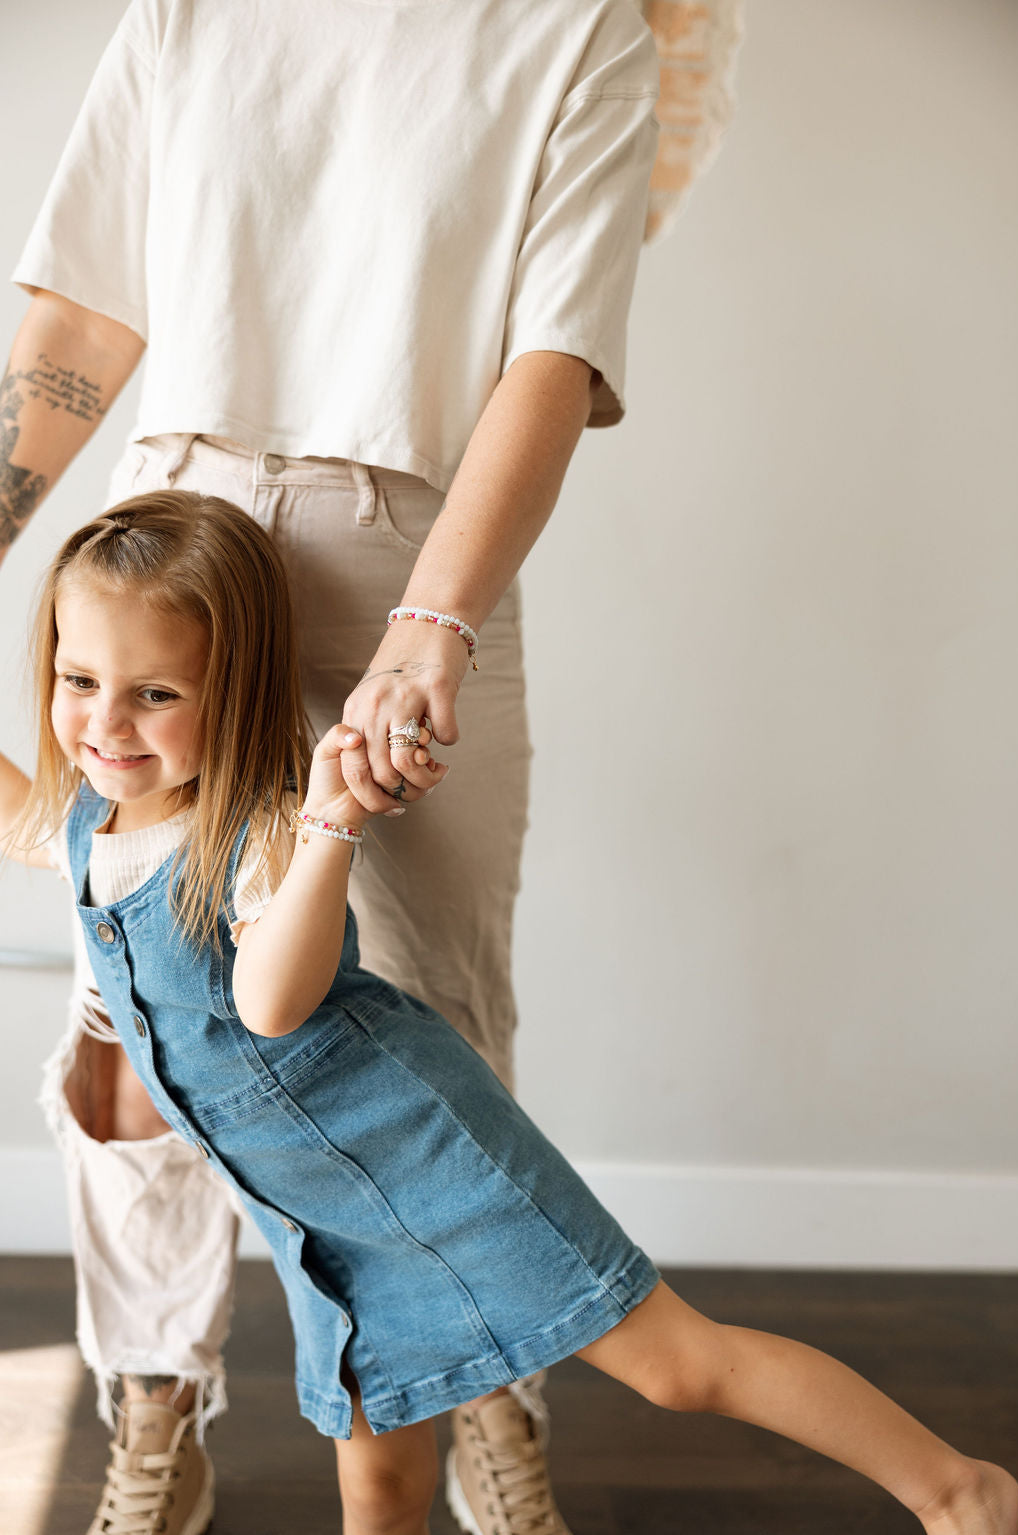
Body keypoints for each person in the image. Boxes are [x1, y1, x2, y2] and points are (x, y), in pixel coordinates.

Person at [2, 2, 745, 1531]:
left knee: (443, 1010)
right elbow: (82, 319)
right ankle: (155, 1403)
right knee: (134, 1018)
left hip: (412, 548)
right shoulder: (187, 10)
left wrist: (434, 623)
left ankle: (490, 1387)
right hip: (170, 547)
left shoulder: (587, 23)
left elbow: (554, 358)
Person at [1, 490, 1018, 1535]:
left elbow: (267, 1002)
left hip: (421, 1154)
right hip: (320, 1224)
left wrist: (331, 826)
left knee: (676, 1365)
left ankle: (958, 1489)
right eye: (78, 679)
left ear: (233, 686)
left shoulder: (265, 827)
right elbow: (25, 820)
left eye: (154, 692)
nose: (105, 721)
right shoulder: (92, 811)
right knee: (378, 1486)